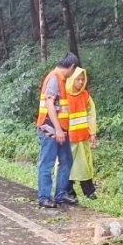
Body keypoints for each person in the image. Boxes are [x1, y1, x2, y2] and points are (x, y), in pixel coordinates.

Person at [36, 52, 79, 208]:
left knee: (66, 160)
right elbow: (49, 103)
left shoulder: (61, 79)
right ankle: (44, 197)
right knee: (47, 163)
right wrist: (58, 130)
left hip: (60, 129)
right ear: (72, 67)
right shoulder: (54, 78)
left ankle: (61, 194)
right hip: (49, 129)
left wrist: (62, 130)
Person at [61, 67, 98, 200]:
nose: (81, 82)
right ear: (72, 79)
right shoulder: (64, 95)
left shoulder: (85, 96)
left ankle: (89, 192)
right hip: (68, 138)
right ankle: (68, 192)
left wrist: (92, 132)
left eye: (83, 79)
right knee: (68, 166)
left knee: (84, 165)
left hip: (82, 138)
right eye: (78, 79)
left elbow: (91, 114)